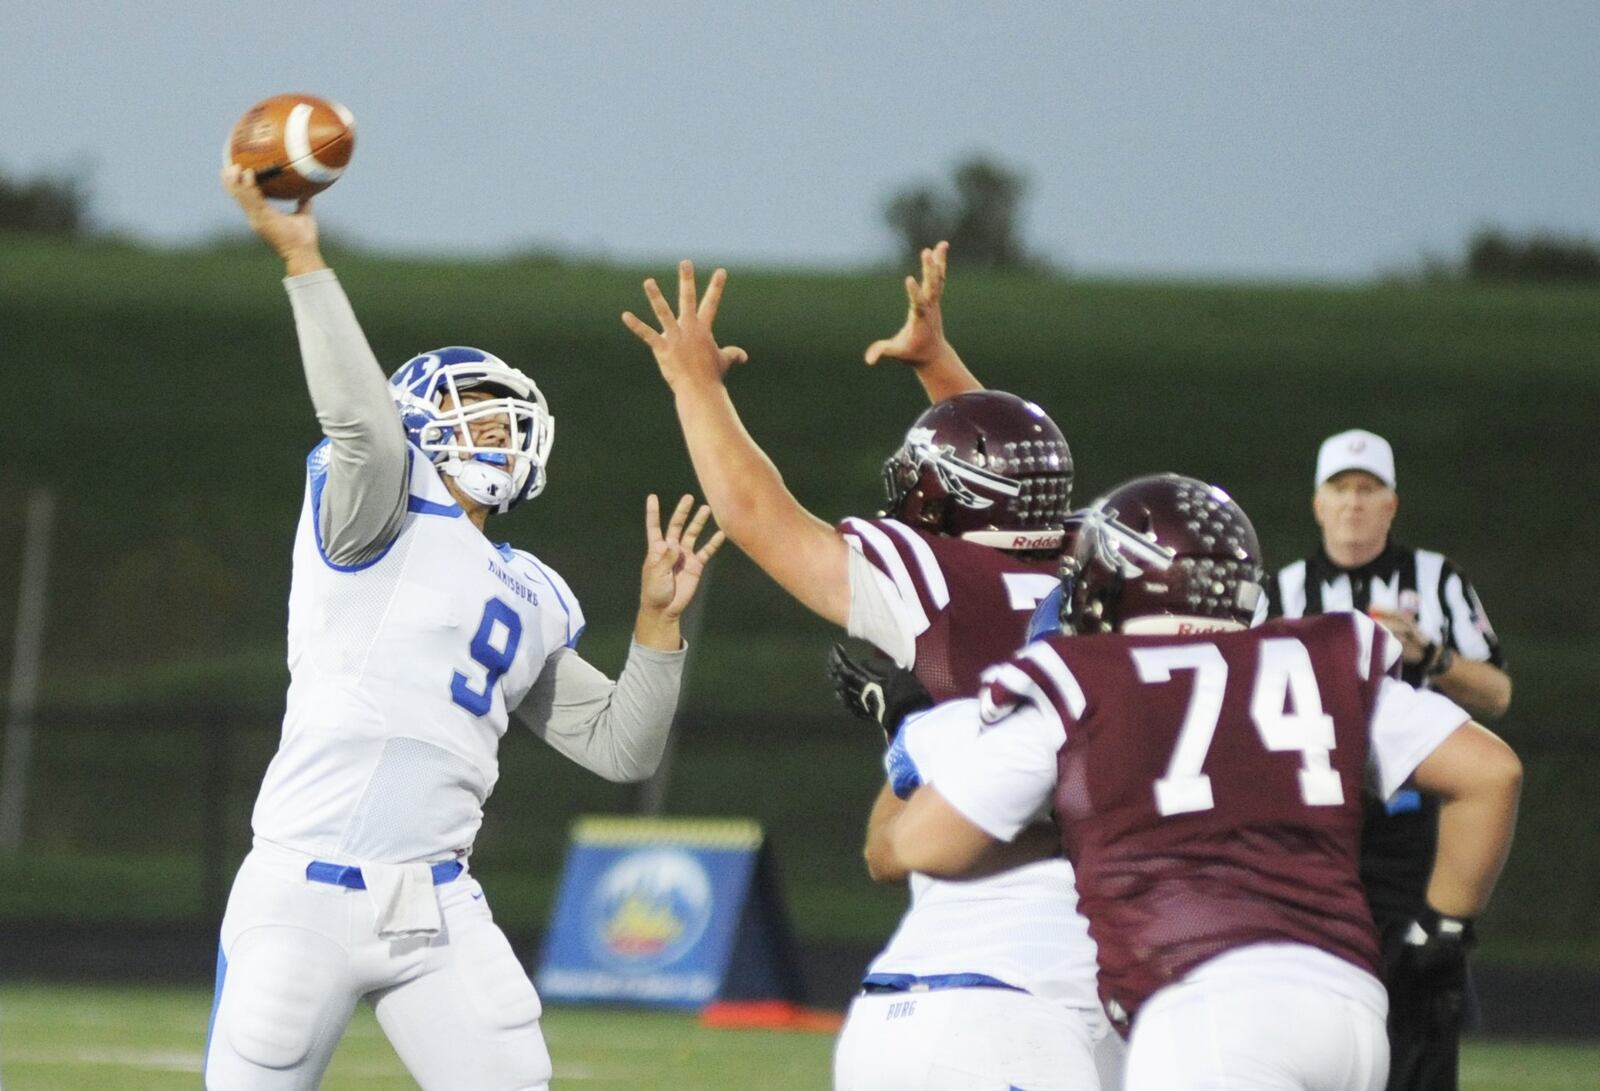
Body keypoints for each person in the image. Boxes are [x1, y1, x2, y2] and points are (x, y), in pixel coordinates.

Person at [205, 166, 724, 1091]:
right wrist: (305, 262)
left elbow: (622, 748)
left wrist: (656, 625)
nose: (496, 425)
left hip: (437, 902)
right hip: (303, 888)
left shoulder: (531, 589)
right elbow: (361, 423)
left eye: (500, 411)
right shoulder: (373, 510)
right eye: (473, 407)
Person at [623, 255, 1117, 1090]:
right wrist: (939, 368)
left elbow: (754, 514)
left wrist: (695, 384)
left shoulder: (937, 578)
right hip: (1125, 942)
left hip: (990, 947)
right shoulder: (1101, 562)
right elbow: (1015, 480)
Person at [882, 473, 1522, 1091]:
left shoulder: (1084, 676)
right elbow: (1491, 772)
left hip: (1206, 1007)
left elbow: (919, 847)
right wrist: (1444, 928)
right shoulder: (1315, 660)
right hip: (1350, 1011)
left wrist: (1070, 832)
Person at [1269, 428, 1512, 1091]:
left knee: (1422, 993)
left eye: (1368, 490)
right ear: (1317, 503)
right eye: (1341, 490)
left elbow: (1497, 691)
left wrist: (1429, 655)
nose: (1353, 504)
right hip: (1317, 826)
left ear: (1391, 504)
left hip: (1415, 834)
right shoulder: (1282, 592)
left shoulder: (1435, 580)